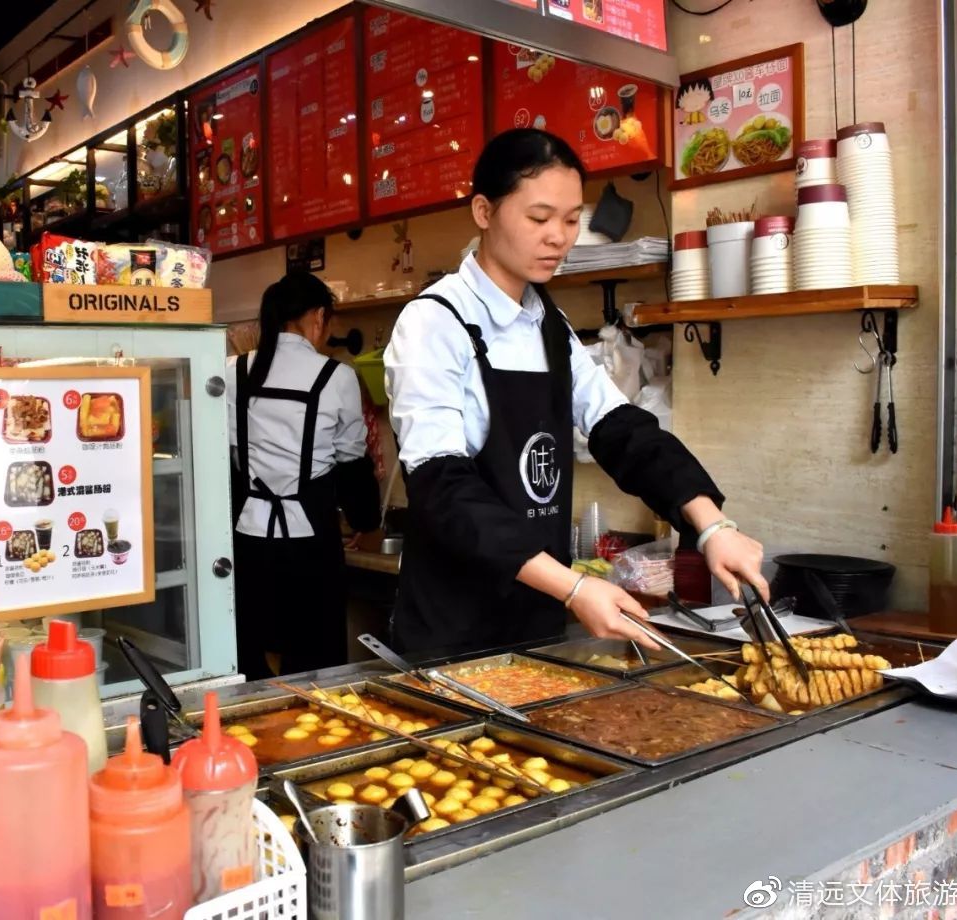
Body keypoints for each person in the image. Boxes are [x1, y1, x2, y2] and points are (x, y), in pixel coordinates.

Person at [383, 128, 767, 656]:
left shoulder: (548, 323)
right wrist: (577, 585)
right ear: (483, 211)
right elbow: (442, 487)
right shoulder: (435, 321)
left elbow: (622, 431)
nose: (558, 238)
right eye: (539, 219)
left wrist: (711, 525)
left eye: (569, 220)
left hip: (537, 620)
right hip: (454, 627)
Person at [227, 271, 379, 677]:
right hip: (311, 544)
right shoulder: (337, 376)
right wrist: (365, 521)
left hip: (248, 541)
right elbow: (352, 458)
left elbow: (230, 456)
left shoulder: (234, 371)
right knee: (316, 665)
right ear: (318, 316)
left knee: (251, 658)